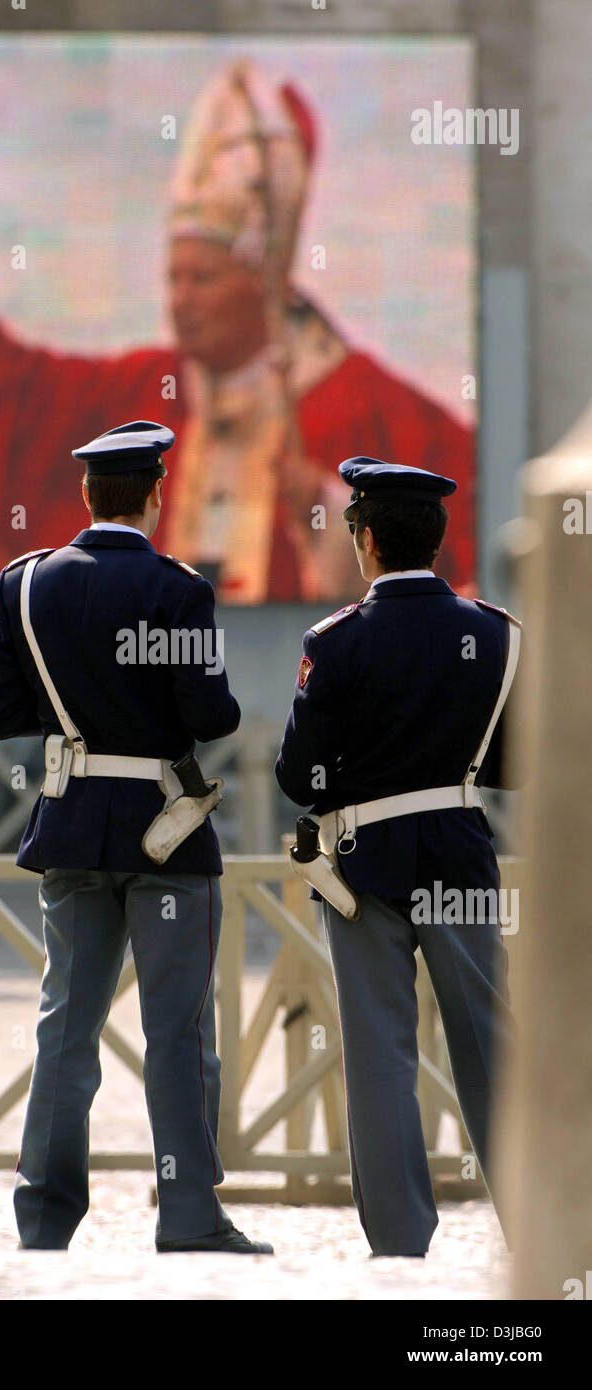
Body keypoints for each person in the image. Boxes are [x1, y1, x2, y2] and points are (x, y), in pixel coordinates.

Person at [0, 60, 475, 604]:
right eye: (172, 278)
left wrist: (325, 509)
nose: (180, 300)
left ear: (262, 285)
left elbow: (454, 557)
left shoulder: (364, 406)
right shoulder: (145, 390)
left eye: (203, 280)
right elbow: (15, 398)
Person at [0, 419, 272, 1254]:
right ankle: (187, 1216)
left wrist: (78, 716)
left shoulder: (26, 582)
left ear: (84, 495)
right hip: (164, 835)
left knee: (65, 1026)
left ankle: (45, 1217)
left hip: (71, 824)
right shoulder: (179, 590)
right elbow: (211, 717)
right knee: (178, 1033)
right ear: (155, 494)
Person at [275, 457, 519, 1258]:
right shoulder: (494, 633)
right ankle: (538, 1223)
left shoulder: (336, 641)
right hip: (458, 852)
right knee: (488, 1044)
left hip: (365, 859)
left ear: (367, 538)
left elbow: (299, 776)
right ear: (438, 541)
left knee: (380, 1055)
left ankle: (401, 1243)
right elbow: (511, 765)